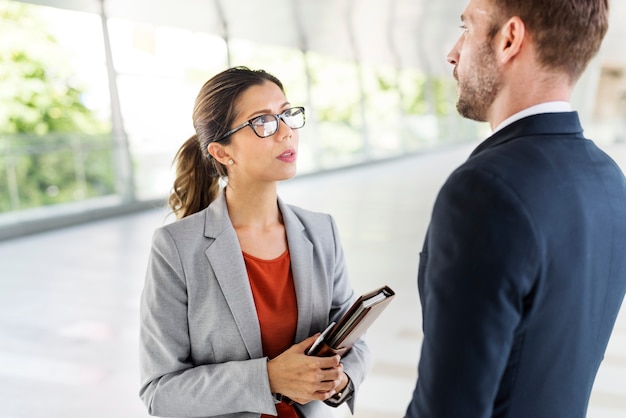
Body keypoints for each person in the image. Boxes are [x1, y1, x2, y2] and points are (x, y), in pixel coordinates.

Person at [405, 0, 626, 417]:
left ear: (509, 39)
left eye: (466, 27)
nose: (453, 51)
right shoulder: (609, 179)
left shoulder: (483, 190)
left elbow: (449, 408)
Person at [139, 66, 371, 418]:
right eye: (263, 122)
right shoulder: (176, 248)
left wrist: (341, 379)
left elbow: (353, 341)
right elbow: (160, 392)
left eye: (287, 115)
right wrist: (268, 378)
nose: (286, 133)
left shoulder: (321, 230)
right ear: (221, 152)